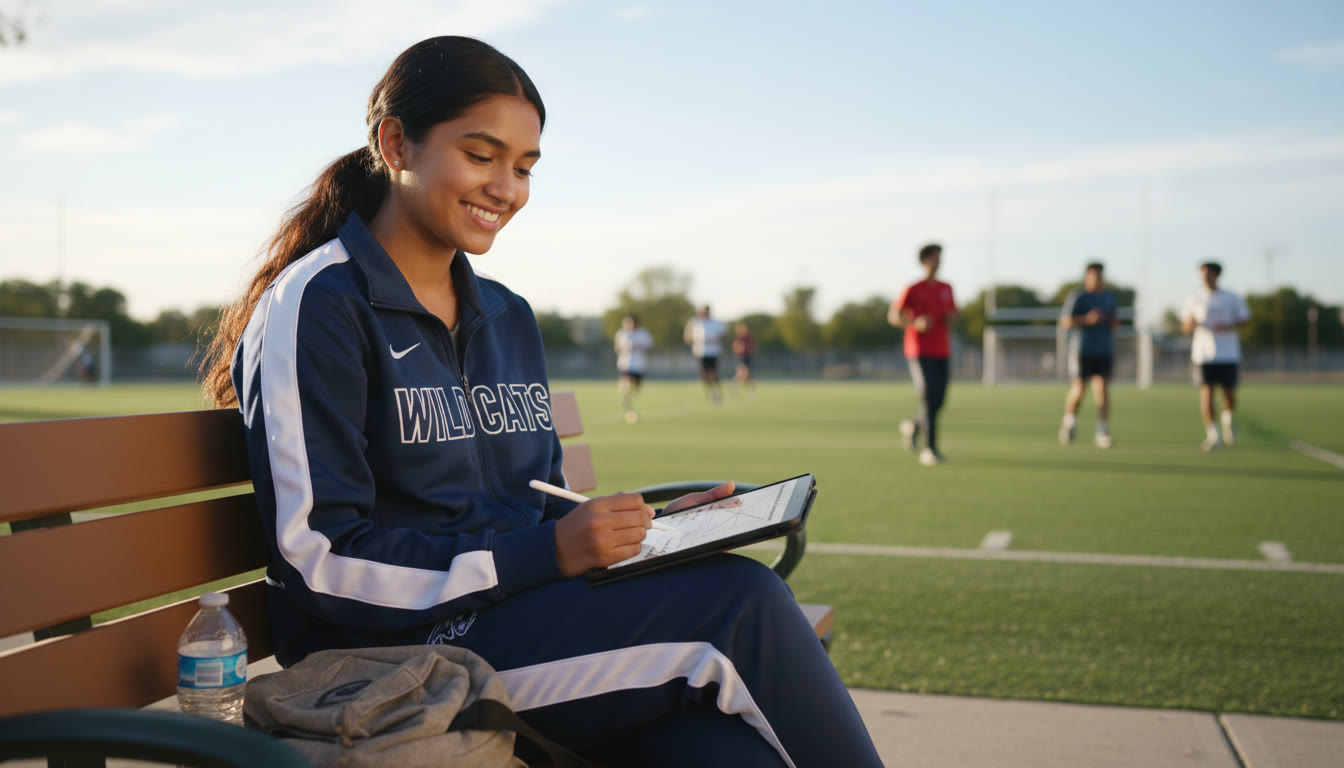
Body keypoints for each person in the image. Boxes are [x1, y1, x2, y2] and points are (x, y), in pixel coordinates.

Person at [199, 36, 880, 768]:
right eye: (482, 155)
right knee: (738, 607)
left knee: (724, 751)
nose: (507, 188)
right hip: (384, 655)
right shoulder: (320, 303)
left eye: (524, 167)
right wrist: (541, 552)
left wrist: (646, 537)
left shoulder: (507, 315)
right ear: (396, 142)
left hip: (513, 620)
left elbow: (534, 501)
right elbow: (319, 559)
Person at [888, 243, 958, 466]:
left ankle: (914, 426)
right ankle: (930, 449)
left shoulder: (946, 287)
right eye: (934, 257)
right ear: (925, 260)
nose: (938, 261)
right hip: (919, 350)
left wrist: (953, 316)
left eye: (940, 257)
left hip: (942, 350)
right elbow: (893, 316)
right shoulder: (913, 288)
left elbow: (953, 312)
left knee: (939, 400)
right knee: (928, 395)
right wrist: (915, 323)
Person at [1181, 261, 1251, 451]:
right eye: (1202, 273)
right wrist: (1191, 323)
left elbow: (1245, 320)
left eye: (1209, 273)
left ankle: (1227, 418)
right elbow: (1185, 327)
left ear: (1216, 275)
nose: (1205, 277)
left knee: (1229, 395)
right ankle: (1213, 434)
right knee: (1207, 393)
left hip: (1228, 354)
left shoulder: (1231, 297)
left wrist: (1225, 326)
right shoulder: (1193, 298)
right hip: (1203, 355)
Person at [1058, 262, 1118, 449]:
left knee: (1102, 390)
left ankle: (1101, 430)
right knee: (1079, 390)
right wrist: (1087, 319)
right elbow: (1065, 322)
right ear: (1087, 277)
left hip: (1104, 350)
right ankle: (1069, 422)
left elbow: (1115, 322)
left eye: (1100, 275)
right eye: (1093, 275)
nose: (1097, 279)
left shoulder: (1108, 298)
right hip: (1082, 350)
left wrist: (1108, 320)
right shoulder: (1078, 297)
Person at [613, 313, 653, 423]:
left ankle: (627, 396)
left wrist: (638, 348)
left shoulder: (643, 333)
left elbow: (649, 346)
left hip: (639, 364)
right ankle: (626, 400)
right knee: (626, 381)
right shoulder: (621, 333)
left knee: (635, 388)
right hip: (625, 363)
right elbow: (617, 347)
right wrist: (624, 349)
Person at [683, 305, 727, 404]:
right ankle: (710, 391)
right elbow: (687, 334)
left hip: (713, 352)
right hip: (700, 351)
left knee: (713, 372)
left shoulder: (715, 322)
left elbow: (723, 333)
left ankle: (717, 391)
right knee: (703, 373)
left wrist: (715, 339)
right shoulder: (694, 321)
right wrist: (691, 339)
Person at [731, 320, 756, 393]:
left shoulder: (749, 338)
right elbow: (735, 348)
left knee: (746, 374)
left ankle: (735, 385)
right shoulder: (739, 339)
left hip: (748, 356)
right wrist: (740, 349)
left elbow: (752, 346)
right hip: (741, 357)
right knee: (744, 373)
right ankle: (736, 385)